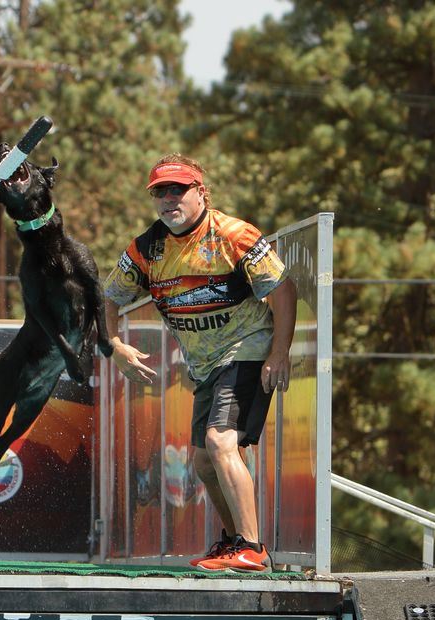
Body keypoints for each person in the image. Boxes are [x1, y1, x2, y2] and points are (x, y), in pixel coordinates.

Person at [102, 154, 297, 574]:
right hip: (205, 365)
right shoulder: (147, 249)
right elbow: (109, 299)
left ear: (201, 193)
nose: (169, 199)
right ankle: (233, 544)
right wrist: (116, 345)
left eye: (179, 189)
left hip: (247, 348)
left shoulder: (233, 235)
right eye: (160, 192)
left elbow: (283, 291)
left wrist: (280, 352)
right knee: (204, 462)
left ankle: (254, 548)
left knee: (222, 443)